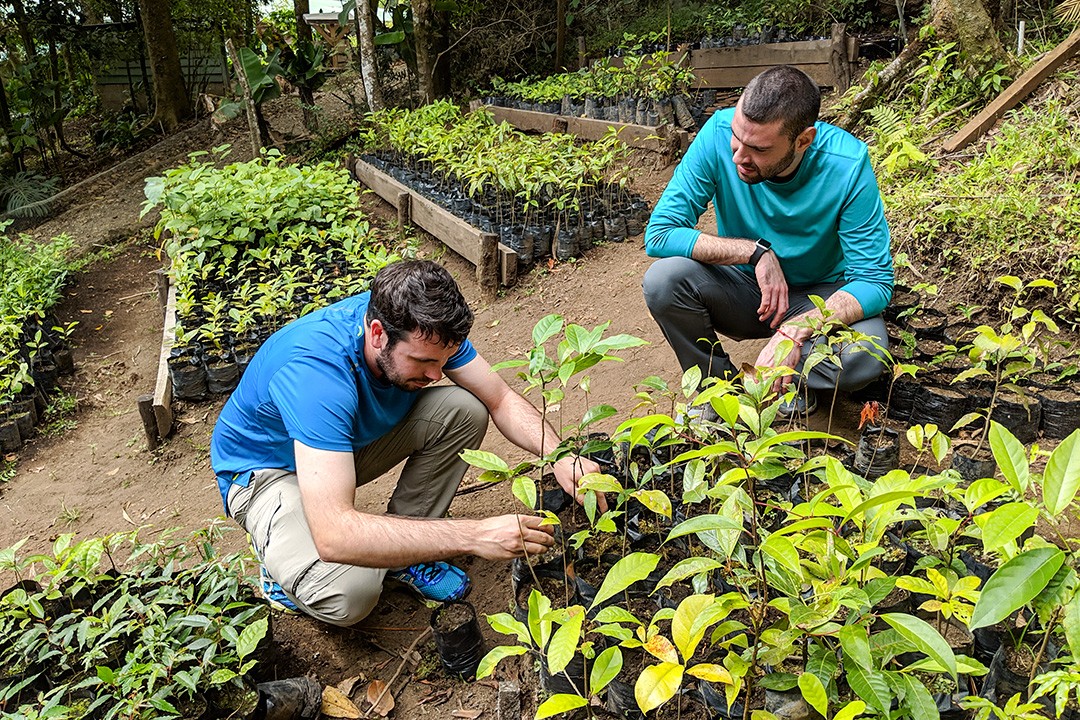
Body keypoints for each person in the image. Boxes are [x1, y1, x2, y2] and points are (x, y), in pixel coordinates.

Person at [210, 259, 600, 626]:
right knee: (350, 593)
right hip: (268, 472)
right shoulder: (317, 375)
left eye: (442, 361)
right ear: (377, 334)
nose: (435, 374)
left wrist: (564, 456)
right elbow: (335, 535)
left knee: (465, 408)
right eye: (421, 363)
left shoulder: (424, 329)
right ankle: (284, 569)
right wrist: (476, 534)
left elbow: (498, 397)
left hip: (338, 448)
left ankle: (404, 554)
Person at [642, 65, 893, 417]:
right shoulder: (716, 133)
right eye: (736, 136)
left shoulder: (847, 165)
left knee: (863, 358)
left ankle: (792, 380)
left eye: (758, 149)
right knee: (663, 281)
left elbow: (875, 280)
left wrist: (797, 331)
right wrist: (755, 252)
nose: (737, 157)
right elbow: (661, 232)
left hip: (821, 293)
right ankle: (719, 390)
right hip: (748, 291)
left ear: (803, 140)